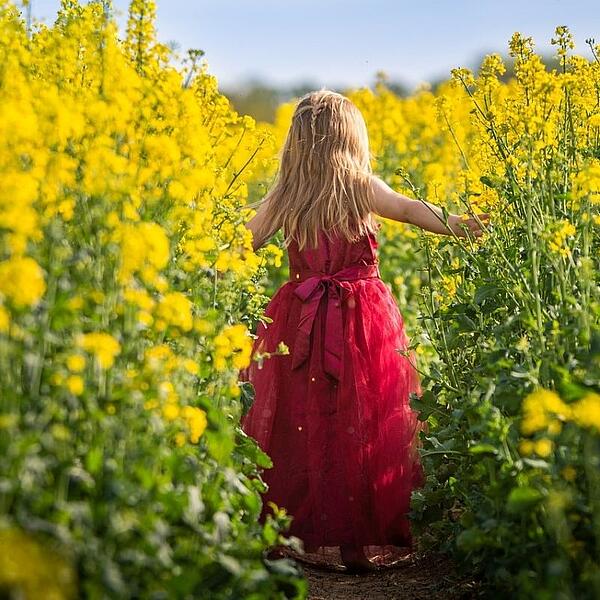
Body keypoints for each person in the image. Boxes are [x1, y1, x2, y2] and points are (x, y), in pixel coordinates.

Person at [238, 89, 489, 573]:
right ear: (351, 139)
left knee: (302, 422)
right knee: (363, 422)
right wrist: (460, 224)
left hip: (301, 319)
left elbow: (243, 241)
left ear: (296, 143)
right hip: (361, 318)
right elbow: (412, 209)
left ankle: (299, 535)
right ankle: (357, 544)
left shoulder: (287, 192)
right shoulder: (359, 184)